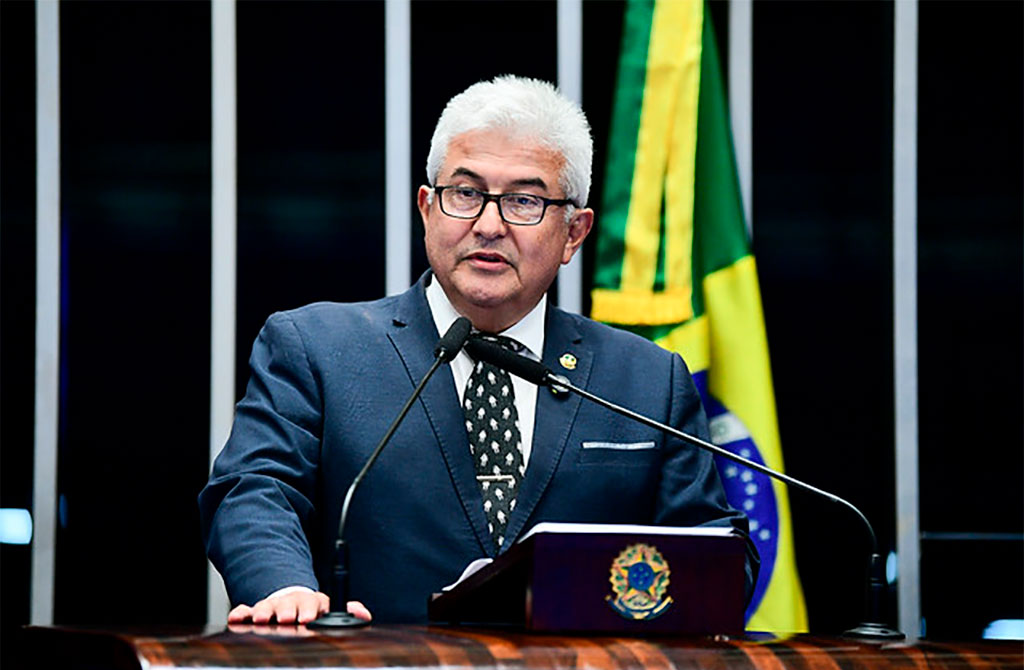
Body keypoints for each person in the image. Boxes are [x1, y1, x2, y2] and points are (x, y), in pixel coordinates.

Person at [199, 75, 757, 625]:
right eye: (465, 193)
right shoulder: (317, 348)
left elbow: (715, 552)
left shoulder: (645, 380)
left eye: (523, 201)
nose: (488, 225)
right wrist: (284, 586)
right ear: (426, 207)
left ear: (574, 233)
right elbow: (254, 488)